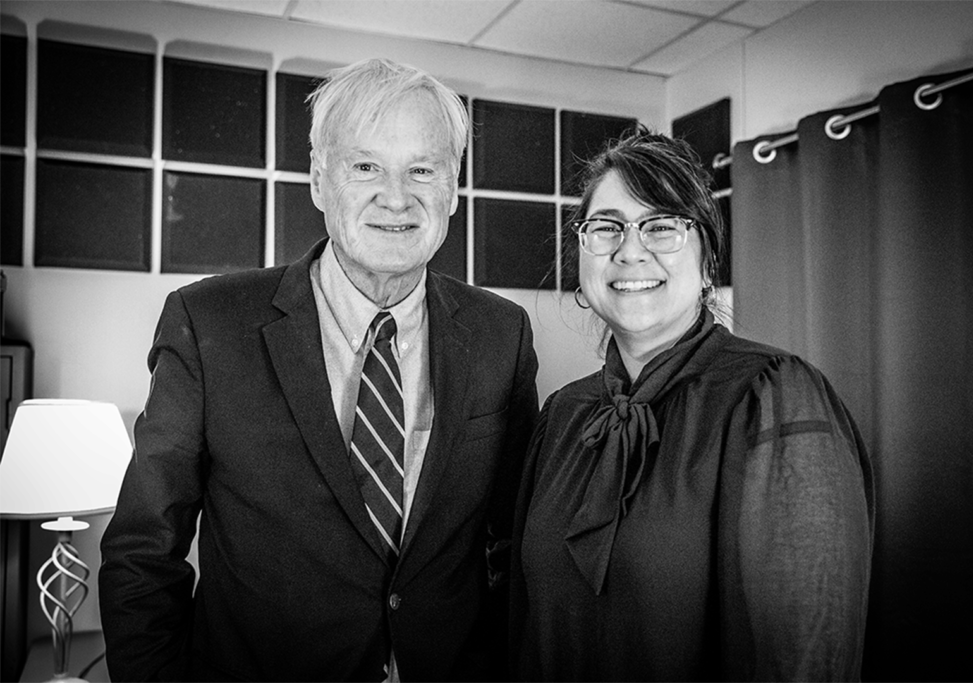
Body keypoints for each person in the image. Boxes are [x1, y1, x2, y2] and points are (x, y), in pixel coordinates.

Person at [99, 58, 539, 682]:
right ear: (318, 180)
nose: (397, 196)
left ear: (453, 188)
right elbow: (144, 553)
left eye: (423, 169)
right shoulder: (208, 323)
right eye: (365, 167)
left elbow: (512, 542)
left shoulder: (502, 333)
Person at [509, 127, 873, 681]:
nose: (630, 250)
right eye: (606, 228)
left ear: (707, 264)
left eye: (661, 227)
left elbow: (803, 654)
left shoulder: (772, 396)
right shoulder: (562, 414)